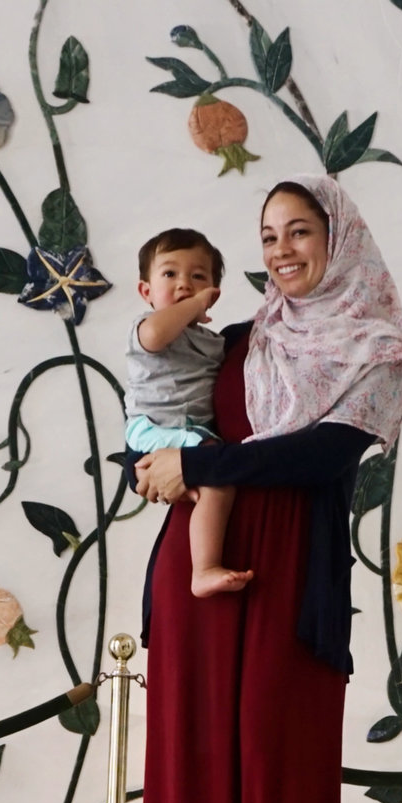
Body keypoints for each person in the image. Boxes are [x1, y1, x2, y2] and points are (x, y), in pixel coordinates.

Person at [130, 175, 402, 803]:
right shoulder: (240, 338)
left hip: (294, 568)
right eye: (269, 236)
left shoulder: (379, 347)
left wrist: (202, 467)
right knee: (198, 759)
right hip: (198, 568)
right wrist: (154, 465)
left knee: (279, 758)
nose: (283, 249)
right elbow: (166, 411)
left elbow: (318, 456)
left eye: (299, 231)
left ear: (339, 237)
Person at [125, 228, 252, 598]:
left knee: (210, 485)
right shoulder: (147, 326)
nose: (184, 284)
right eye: (169, 274)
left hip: (183, 430)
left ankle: (204, 559)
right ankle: (204, 568)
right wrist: (192, 305)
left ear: (214, 290)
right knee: (216, 475)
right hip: (155, 429)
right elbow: (155, 337)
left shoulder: (215, 342)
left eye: (198, 276)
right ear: (145, 291)